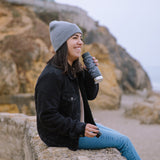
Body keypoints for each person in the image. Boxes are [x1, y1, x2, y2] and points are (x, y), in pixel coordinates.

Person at [35, 20, 141, 160]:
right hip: (63, 135)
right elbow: (47, 117)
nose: (80, 42)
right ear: (61, 42)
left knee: (121, 137)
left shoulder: (73, 70)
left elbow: (91, 95)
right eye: (74, 38)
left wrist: (90, 74)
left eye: (81, 38)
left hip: (78, 125)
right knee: (123, 142)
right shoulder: (51, 76)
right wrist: (79, 128)